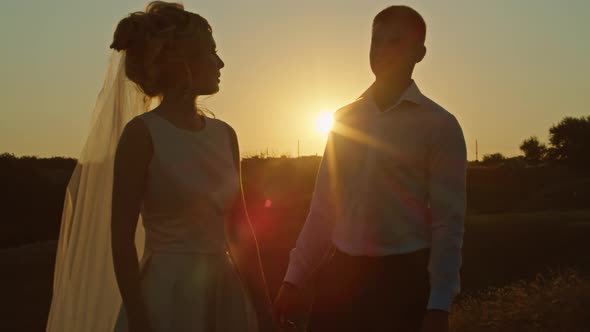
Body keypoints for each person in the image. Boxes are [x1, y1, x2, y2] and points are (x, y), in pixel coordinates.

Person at [46, 2, 272, 332]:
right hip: (167, 295)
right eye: (211, 52)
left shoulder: (226, 135)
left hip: (224, 292)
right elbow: (122, 240)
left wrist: (264, 310)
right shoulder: (143, 134)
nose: (220, 62)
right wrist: (139, 318)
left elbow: (243, 231)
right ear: (184, 64)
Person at [273, 5, 467, 332]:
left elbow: (448, 223)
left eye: (396, 42)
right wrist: (294, 279)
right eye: (376, 41)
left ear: (419, 53)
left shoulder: (440, 126)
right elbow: (323, 208)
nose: (382, 51)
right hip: (340, 279)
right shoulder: (344, 119)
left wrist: (439, 304)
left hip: (403, 281)